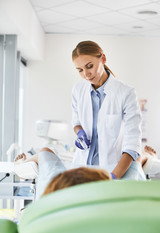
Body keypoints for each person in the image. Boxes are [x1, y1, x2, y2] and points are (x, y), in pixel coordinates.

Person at [72, 40, 143, 180]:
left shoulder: (126, 93)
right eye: (80, 70)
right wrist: (79, 132)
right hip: (83, 167)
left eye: (89, 66)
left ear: (103, 59)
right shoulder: (78, 90)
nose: (86, 74)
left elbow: (133, 143)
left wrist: (113, 177)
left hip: (112, 169)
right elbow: (76, 121)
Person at [14, 145, 160, 199]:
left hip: (58, 190)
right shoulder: (127, 190)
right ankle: (148, 156)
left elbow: (45, 152)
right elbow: (135, 160)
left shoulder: (52, 185)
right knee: (136, 160)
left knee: (44, 152)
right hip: (113, 189)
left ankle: (23, 164)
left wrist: (21, 165)